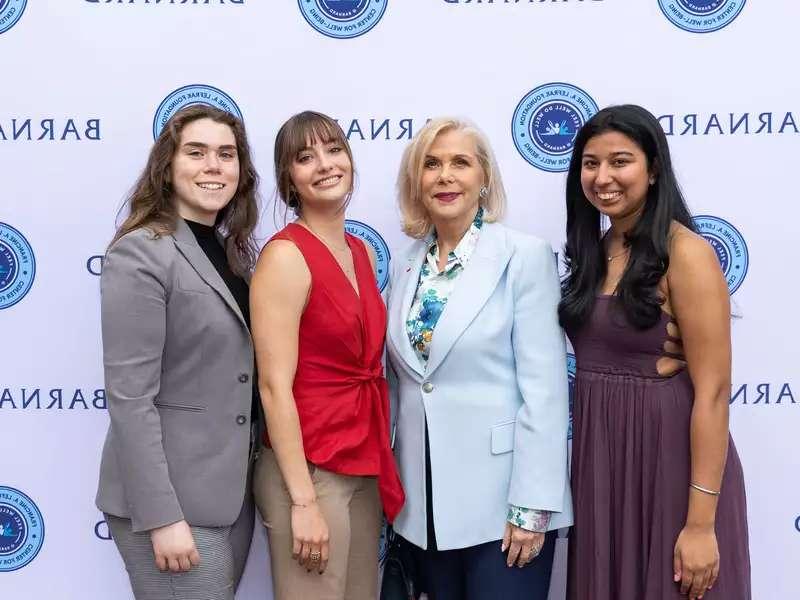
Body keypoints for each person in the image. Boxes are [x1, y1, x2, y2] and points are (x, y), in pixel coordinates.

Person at [560, 104, 751, 600]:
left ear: (654, 168)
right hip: (602, 464)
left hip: (670, 464)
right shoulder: (594, 253)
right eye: (590, 162)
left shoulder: (685, 253)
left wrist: (701, 524)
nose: (603, 177)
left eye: (620, 161)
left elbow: (712, 392)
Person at [386, 117, 572, 600]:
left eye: (460, 162)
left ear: (484, 177)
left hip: (505, 507)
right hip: (423, 510)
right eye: (431, 164)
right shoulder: (406, 264)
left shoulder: (523, 256)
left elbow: (546, 392)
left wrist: (532, 507)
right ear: (416, 181)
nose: (445, 176)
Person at [95, 104, 262, 600]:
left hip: (229, 497)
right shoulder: (141, 251)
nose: (213, 165)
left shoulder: (233, 254)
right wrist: (162, 516)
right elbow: (129, 397)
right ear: (167, 166)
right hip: (171, 505)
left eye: (226, 155)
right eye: (196, 152)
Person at [250, 110, 404, 600]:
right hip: (310, 468)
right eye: (305, 157)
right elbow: (274, 386)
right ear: (288, 179)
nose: (324, 164)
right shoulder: (285, 256)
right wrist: (302, 500)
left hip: (360, 455)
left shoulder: (358, 250)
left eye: (334, 149)